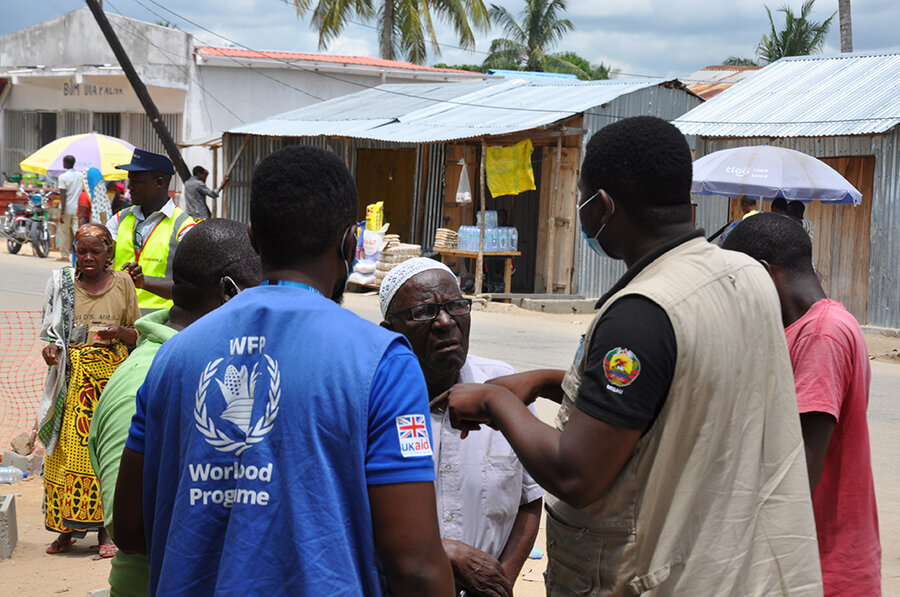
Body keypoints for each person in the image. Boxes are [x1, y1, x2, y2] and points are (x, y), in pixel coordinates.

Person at [437, 116, 822, 595]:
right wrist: (546, 382)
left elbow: (575, 473)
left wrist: (497, 404)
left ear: (602, 206)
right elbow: (677, 391)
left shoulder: (642, 312)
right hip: (742, 570)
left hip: (662, 578)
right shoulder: (742, 275)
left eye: (581, 198)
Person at [114, 145, 454, 596]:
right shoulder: (382, 361)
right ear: (349, 243)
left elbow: (132, 532)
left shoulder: (172, 358)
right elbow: (415, 565)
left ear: (254, 240)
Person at [88, 218, 262, 597]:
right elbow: (129, 527)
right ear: (229, 292)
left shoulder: (214, 363)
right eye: (259, 293)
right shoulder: (145, 375)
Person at [722, 212, 881, 597]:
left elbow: (797, 472)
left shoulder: (821, 335)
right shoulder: (808, 328)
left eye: (735, 282)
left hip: (821, 570)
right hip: (811, 565)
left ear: (763, 273)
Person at [380, 258, 543, 597]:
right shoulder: (372, 404)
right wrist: (445, 553)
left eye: (456, 306)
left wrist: (501, 583)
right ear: (389, 330)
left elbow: (529, 500)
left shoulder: (504, 388)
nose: (444, 322)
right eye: (423, 312)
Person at [36, 223, 140, 558]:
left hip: (109, 382)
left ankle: (105, 532)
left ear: (109, 252)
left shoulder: (123, 283)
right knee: (64, 456)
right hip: (71, 383)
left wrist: (119, 332)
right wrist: (52, 349)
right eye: (82, 251)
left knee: (102, 454)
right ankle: (65, 529)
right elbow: (52, 335)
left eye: (96, 251)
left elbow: (139, 334)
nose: (88, 258)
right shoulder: (63, 285)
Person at [108, 149, 195, 314]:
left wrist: (145, 283)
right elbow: (101, 258)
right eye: (129, 181)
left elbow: (190, 288)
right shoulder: (119, 219)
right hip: (118, 317)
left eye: (136, 182)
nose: (129, 188)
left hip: (159, 323)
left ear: (159, 183)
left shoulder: (184, 227)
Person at [56, 155, 84, 262]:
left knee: (64, 232)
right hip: (78, 208)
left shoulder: (62, 177)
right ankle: (80, 252)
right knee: (77, 231)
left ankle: (64, 255)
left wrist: (62, 213)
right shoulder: (81, 176)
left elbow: (63, 195)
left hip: (67, 209)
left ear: (66, 163)